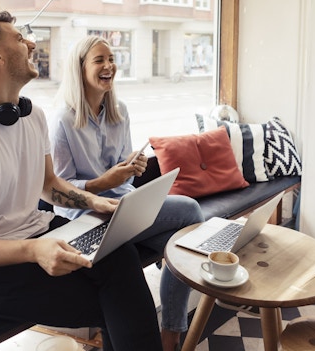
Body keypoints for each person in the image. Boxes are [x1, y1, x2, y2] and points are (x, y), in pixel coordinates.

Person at [0, 11, 163, 351]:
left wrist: (94, 202)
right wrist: (32, 249)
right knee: (118, 301)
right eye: (18, 39)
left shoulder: (32, 116)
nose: (30, 43)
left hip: (38, 231)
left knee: (121, 256)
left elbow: (49, 184)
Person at [50, 35, 205, 351]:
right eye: (99, 60)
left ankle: (170, 331)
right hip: (85, 216)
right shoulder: (63, 121)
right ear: (79, 69)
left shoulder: (118, 110)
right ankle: (164, 335)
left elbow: (121, 175)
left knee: (186, 230)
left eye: (111, 58)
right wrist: (106, 181)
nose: (109, 66)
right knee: (180, 224)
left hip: (122, 206)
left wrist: (132, 167)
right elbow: (58, 192)